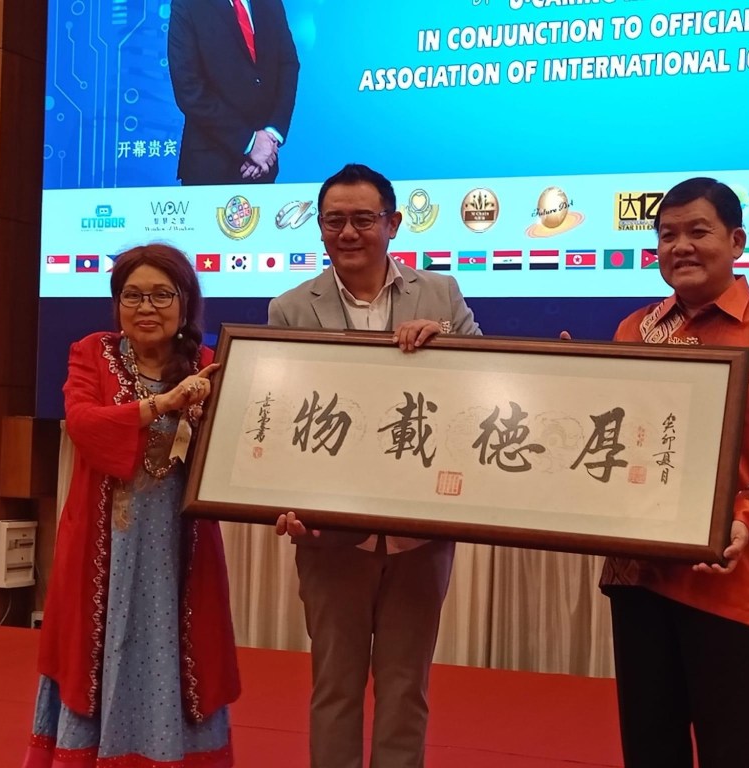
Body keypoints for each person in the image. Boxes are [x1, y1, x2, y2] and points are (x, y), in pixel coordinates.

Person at [598, 177, 749, 768]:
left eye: (698, 231)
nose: (680, 246)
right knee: (649, 745)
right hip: (638, 572)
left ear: (736, 241)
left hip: (726, 578)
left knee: (727, 748)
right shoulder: (633, 332)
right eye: (667, 235)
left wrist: (744, 519)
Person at [268, 163, 481, 768]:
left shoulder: (440, 295)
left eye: (364, 219)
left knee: (406, 688)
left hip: (420, 533)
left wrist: (446, 344)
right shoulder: (290, 308)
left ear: (393, 223)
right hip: (329, 534)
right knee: (334, 687)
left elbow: (480, 388)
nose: (348, 232)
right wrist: (281, 501)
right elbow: (278, 417)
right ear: (319, 227)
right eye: (334, 220)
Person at [22, 244, 241, 768]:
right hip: (105, 544)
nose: (146, 307)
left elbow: (239, 448)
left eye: (162, 295)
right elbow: (84, 425)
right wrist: (163, 404)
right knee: (96, 648)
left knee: (180, 647)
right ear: (116, 303)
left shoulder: (210, 366)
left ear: (185, 302)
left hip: (179, 546)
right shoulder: (92, 354)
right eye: (132, 295)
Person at [168, 0, 300, 185]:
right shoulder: (189, 5)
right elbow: (189, 89)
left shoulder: (270, 3)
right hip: (209, 167)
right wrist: (249, 142)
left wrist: (271, 135)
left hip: (262, 165)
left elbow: (288, 65)